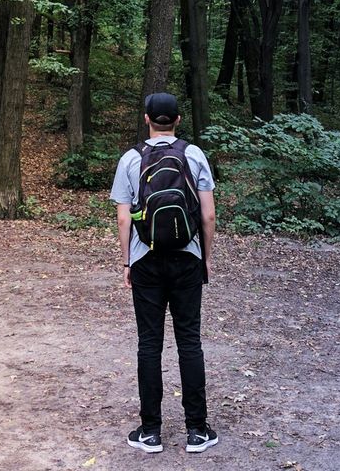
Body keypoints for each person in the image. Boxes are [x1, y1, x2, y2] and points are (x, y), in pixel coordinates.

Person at [110, 92, 219, 454]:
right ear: (177, 119)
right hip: (187, 258)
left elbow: (124, 217)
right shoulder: (194, 154)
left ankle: (150, 432)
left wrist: (128, 261)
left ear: (146, 119)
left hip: (146, 260)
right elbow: (208, 215)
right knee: (189, 341)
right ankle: (197, 430)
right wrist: (205, 256)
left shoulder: (130, 158)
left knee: (149, 343)